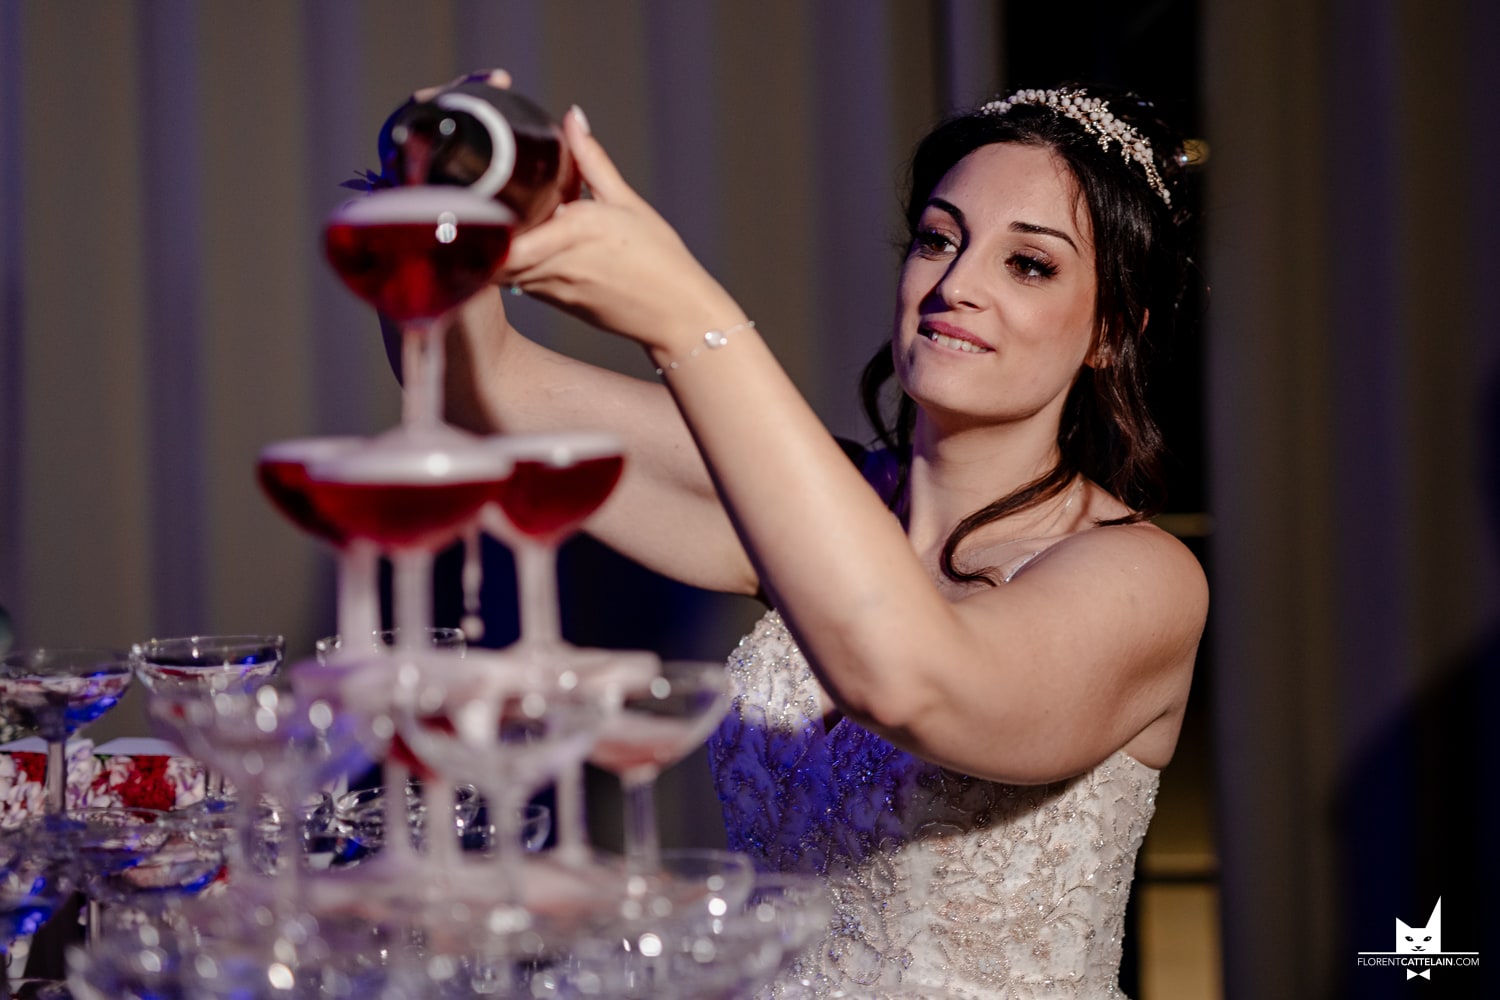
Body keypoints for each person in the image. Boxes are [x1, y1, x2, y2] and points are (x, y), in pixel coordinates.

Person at [434, 73, 1208, 998]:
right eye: (939, 239)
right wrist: (446, 191)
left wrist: (688, 318)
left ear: (1111, 331)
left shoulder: (1144, 577)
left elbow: (912, 682)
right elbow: (482, 390)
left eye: (1029, 264)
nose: (956, 285)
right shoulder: (827, 503)